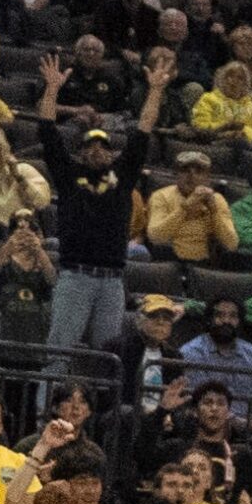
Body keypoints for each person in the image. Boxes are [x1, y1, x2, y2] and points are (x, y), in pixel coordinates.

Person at [35, 47, 175, 366]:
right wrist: (52, 89)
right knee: (59, 353)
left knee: (110, 359)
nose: (97, 150)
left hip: (113, 279)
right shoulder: (69, 176)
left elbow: (143, 130)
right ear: (81, 153)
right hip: (75, 275)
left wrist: (154, 90)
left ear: (112, 153)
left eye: (103, 146)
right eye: (90, 145)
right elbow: (47, 131)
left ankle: (106, 416)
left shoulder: (122, 177)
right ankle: (45, 410)